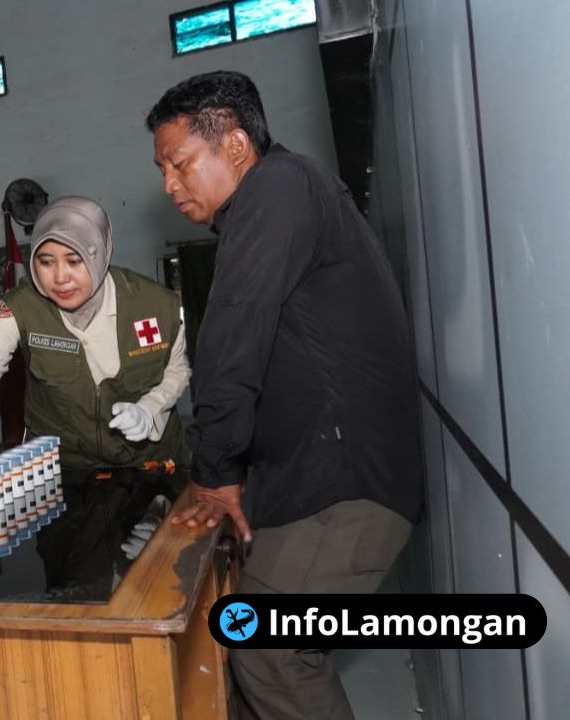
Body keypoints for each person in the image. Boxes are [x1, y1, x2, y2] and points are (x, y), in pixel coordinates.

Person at [146, 70, 424, 720]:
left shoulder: (277, 187)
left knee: (272, 654)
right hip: (314, 484)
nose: (168, 185)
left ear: (236, 146)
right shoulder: (284, 197)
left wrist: (214, 474)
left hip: (341, 489)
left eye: (180, 164)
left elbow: (229, 341)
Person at [0, 195, 192, 478]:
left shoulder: (155, 305)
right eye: (46, 261)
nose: (60, 277)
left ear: (100, 254)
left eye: (74, 261)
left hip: (148, 464)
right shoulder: (22, 307)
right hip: (66, 470)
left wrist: (150, 409)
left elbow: (177, 370)